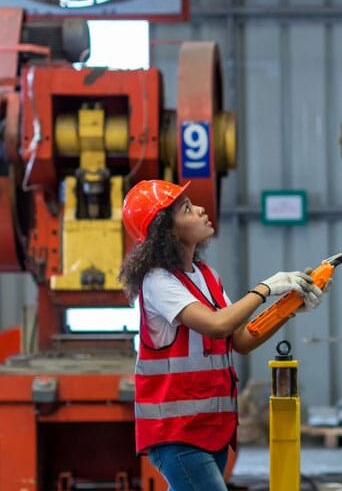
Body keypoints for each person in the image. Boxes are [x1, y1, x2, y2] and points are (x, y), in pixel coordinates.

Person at [119, 179, 327, 490]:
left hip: (211, 430)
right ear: (167, 231)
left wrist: (289, 307)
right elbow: (217, 325)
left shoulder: (207, 277)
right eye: (187, 209)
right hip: (177, 435)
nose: (201, 210)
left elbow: (240, 339)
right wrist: (266, 288)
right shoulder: (158, 282)